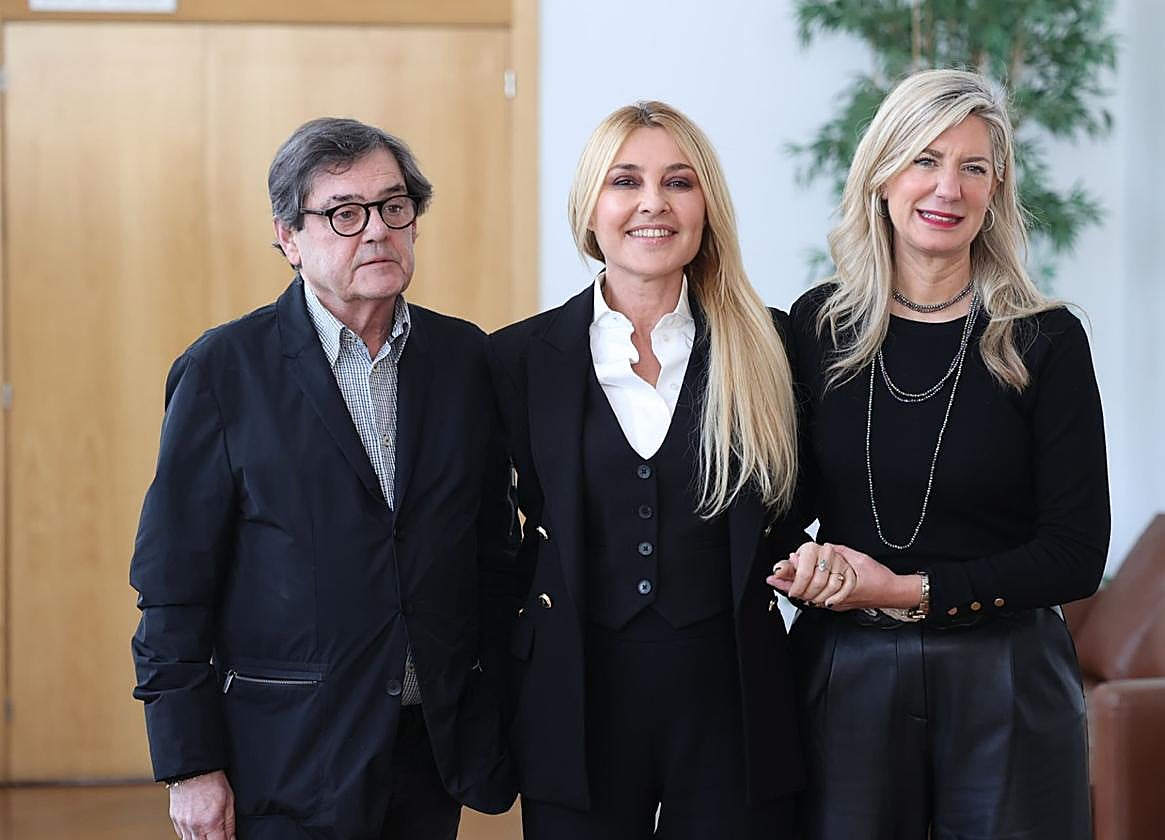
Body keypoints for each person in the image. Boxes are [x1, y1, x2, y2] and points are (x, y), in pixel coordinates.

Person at [130, 117, 520, 840]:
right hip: (287, 752)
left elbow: (492, 553)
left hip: (428, 748)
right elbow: (171, 588)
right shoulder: (223, 372)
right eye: (344, 214)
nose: (376, 231)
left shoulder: (465, 360)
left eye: (394, 207)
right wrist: (189, 765)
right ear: (287, 237)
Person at [768, 69, 1108, 839]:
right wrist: (805, 567)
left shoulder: (1046, 339)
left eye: (974, 167)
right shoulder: (817, 327)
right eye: (925, 159)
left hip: (1008, 681)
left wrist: (909, 589)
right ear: (882, 174)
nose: (946, 187)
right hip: (845, 675)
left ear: (996, 191)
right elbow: (782, 511)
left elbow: (1076, 553)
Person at [489, 101, 803, 840]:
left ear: (706, 208)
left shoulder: (775, 347)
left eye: (679, 182)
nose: (652, 203)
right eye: (625, 181)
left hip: (732, 701)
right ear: (590, 208)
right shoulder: (515, 361)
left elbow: (798, 512)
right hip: (575, 698)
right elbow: (487, 542)